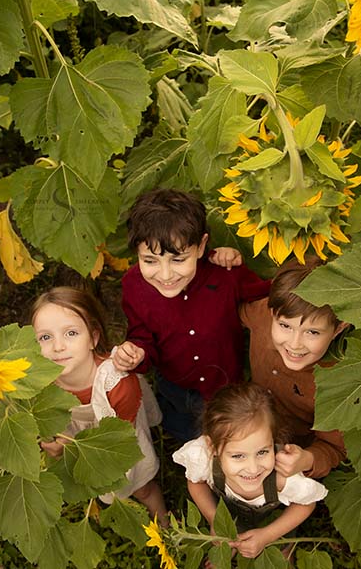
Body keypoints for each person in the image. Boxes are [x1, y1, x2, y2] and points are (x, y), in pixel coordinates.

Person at [112, 188, 270, 443]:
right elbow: (142, 334)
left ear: (201, 247)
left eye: (178, 259)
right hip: (176, 387)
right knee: (187, 438)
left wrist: (241, 258)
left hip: (227, 385)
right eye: (150, 261)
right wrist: (137, 352)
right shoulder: (133, 285)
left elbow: (266, 291)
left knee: (231, 442)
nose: (165, 275)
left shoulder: (225, 275)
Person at [32, 286, 168, 522]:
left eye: (71, 333)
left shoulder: (117, 383)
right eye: (45, 337)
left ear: (93, 338)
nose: (57, 346)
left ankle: (164, 524)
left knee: (142, 488)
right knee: (96, 487)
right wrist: (50, 440)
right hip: (79, 446)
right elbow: (44, 419)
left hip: (120, 443)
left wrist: (75, 448)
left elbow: (121, 438)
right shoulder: (39, 383)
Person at [173, 382, 327, 559]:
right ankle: (228, 547)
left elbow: (306, 504)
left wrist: (267, 535)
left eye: (262, 452)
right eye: (238, 456)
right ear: (213, 448)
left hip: (275, 527)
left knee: (282, 551)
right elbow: (195, 482)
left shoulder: (282, 475)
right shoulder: (204, 459)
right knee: (227, 539)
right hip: (230, 519)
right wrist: (214, 519)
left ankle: (283, 553)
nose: (253, 469)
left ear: (274, 441)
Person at [240, 260, 348, 479]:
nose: (295, 344)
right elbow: (227, 302)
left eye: (313, 332)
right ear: (271, 311)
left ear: (339, 328)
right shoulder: (261, 313)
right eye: (285, 326)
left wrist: (306, 459)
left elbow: (335, 448)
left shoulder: (337, 383)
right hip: (245, 427)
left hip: (291, 454)